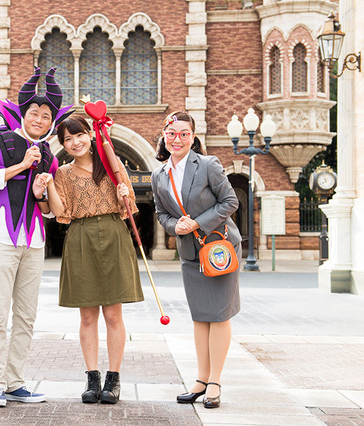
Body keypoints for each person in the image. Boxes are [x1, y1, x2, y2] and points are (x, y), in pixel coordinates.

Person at [0, 67, 73, 407]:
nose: (40, 119)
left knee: (26, 316)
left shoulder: (49, 156)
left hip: (34, 242)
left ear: (52, 121)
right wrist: (21, 165)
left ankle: (15, 382)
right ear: (23, 113)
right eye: (35, 113)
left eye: (47, 116)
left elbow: (48, 211)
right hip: (1, 237)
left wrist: (43, 190)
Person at [33, 116, 144, 404]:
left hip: (113, 233)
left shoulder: (111, 164)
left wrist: (123, 195)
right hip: (80, 236)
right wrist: (48, 188)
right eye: (67, 139)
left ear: (90, 135)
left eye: (79, 135)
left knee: (113, 315)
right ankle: (92, 378)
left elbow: (128, 207)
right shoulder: (64, 173)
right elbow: (60, 212)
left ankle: (113, 379)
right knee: (87, 316)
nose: (74, 143)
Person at [150, 111, 241, 409]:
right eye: (172, 133)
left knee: (219, 314)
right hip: (190, 253)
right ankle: (201, 380)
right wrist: (172, 227)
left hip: (218, 249)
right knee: (200, 316)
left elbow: (230, 202)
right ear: (165, 135)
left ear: (193, 136)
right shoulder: (158, 174)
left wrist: (197, 223)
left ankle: (215, 381)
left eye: (184, 134)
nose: (178, 139)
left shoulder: (207, 165)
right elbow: (161, 213)